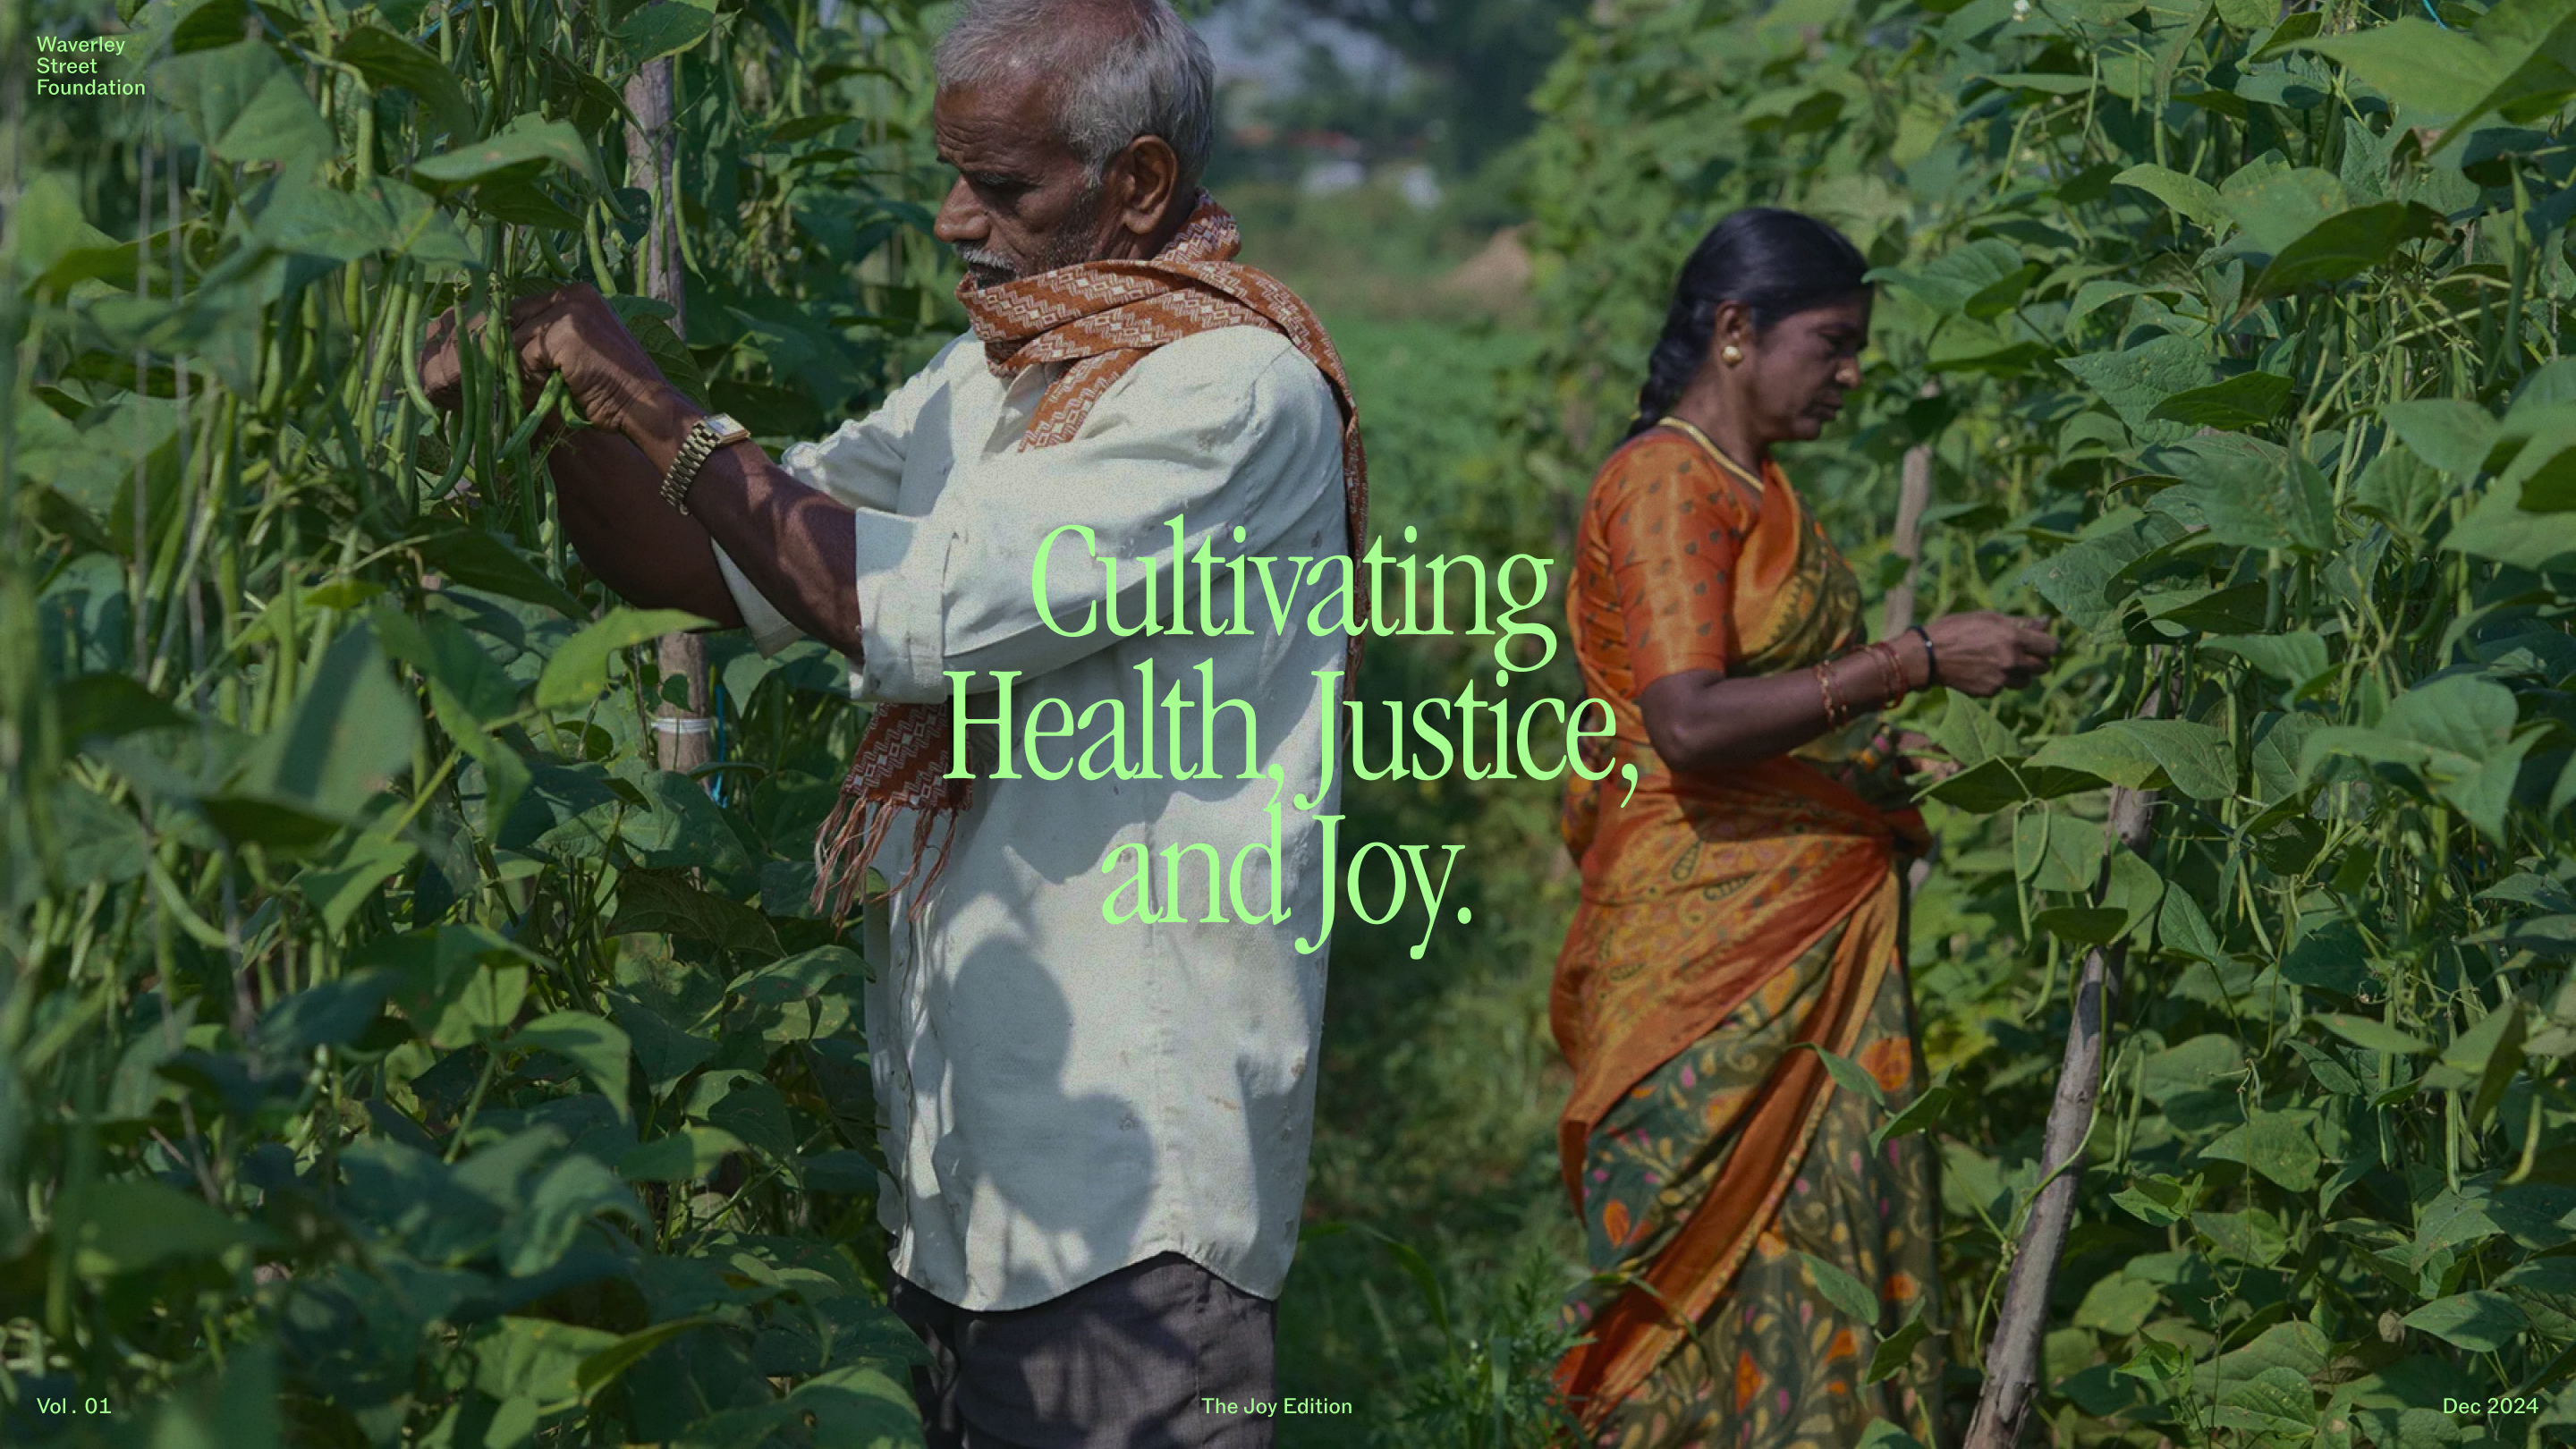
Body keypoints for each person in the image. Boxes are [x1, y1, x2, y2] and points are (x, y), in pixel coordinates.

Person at [421, 1, 1365, 1442]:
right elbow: (715, 556)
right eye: (954, 174)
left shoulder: (1231, 392)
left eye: (1001, 185)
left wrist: (648, 392)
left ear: (1141, 185)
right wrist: (541, 393)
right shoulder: (998, 379)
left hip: (1127, 1192)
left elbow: (909, 613)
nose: (953, 220)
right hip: (964, 1174)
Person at [1546, 208, 2060, 1447]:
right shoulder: (1672, 480)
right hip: (1708, 952)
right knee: (1690, 1293)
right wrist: (1916, 659)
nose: (1851, 373)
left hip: (1797, 934)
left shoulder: (1751, 487)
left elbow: (1762, 716)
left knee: (1814, 1250)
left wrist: (1863, 762)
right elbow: (1689, 721)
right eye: (1831, 343)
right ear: (1736, 331)